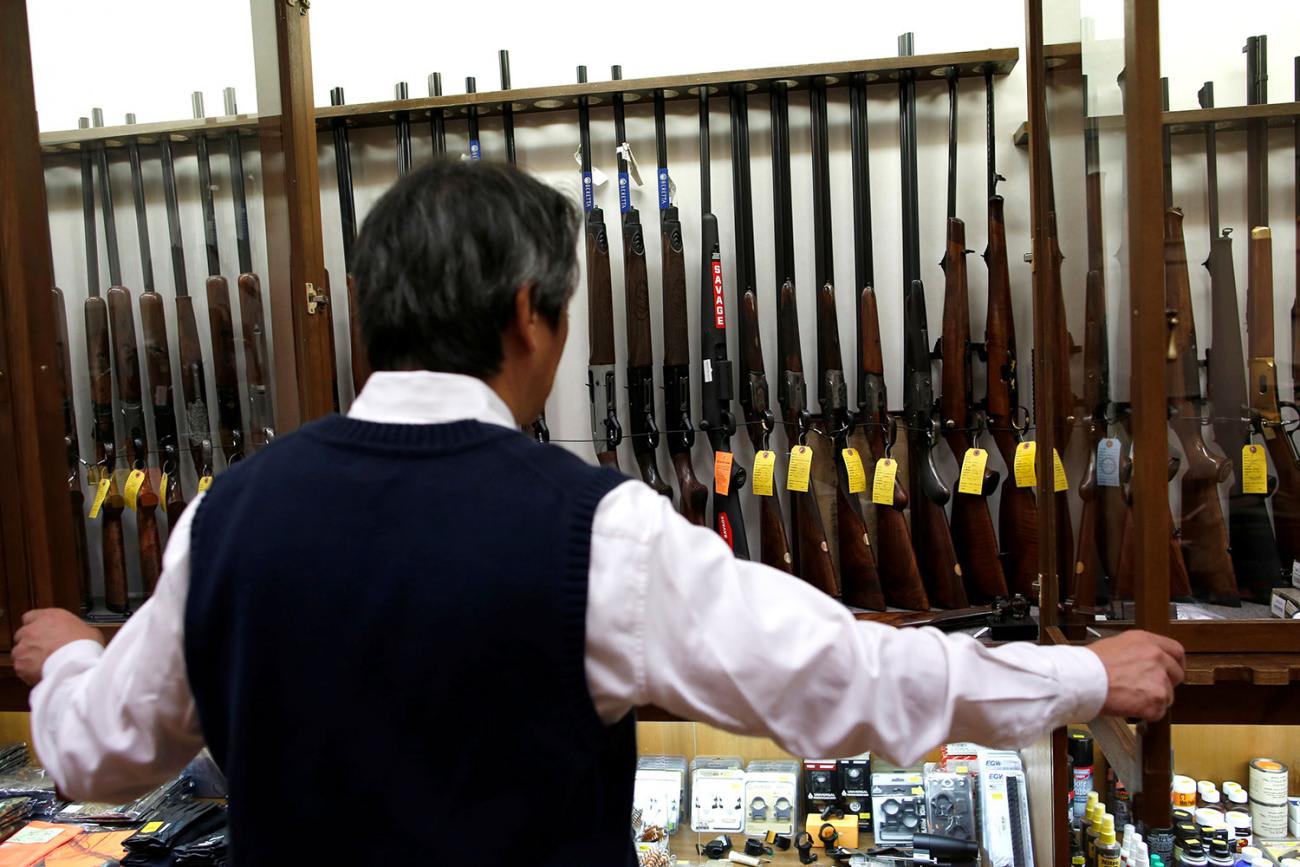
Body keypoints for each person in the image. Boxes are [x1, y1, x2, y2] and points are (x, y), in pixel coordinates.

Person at [16, 161, 1184, 865]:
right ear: (532, 314)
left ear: (368, 317)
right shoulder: (596, 532)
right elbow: (841, 680)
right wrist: (1077, 677)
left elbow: (99, 754)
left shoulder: (228, 514)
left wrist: (72, 655)